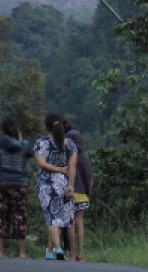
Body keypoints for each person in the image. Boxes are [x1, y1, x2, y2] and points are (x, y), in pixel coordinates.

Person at [33, 112, 76, 261]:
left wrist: (57, 169)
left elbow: (42, 164)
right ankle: (49, 251)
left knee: (52, 217)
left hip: (46, 183)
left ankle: (58, 249)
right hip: (64, 183)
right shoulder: (70, 144)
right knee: (60, 217)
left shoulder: (41, 142)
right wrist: (70, 184)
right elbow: (72, 165)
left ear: (46, 127)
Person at [0, 116, 33, 258]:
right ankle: (21, 253)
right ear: (16, 130)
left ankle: (0, 252)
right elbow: (29, 154)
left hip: (1, 182)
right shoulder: (25, 144)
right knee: (20, 215)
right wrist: (20, 140)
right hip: (19, 183)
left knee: (0, 215)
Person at [62, 118, 93, 262]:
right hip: (83, 193)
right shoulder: (85, 158)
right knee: (79, 221)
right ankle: (80, 254)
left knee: (70, 221)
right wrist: (87, 193)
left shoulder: (69, 158)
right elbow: (89, 179)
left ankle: (71, 254)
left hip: (71, 192)